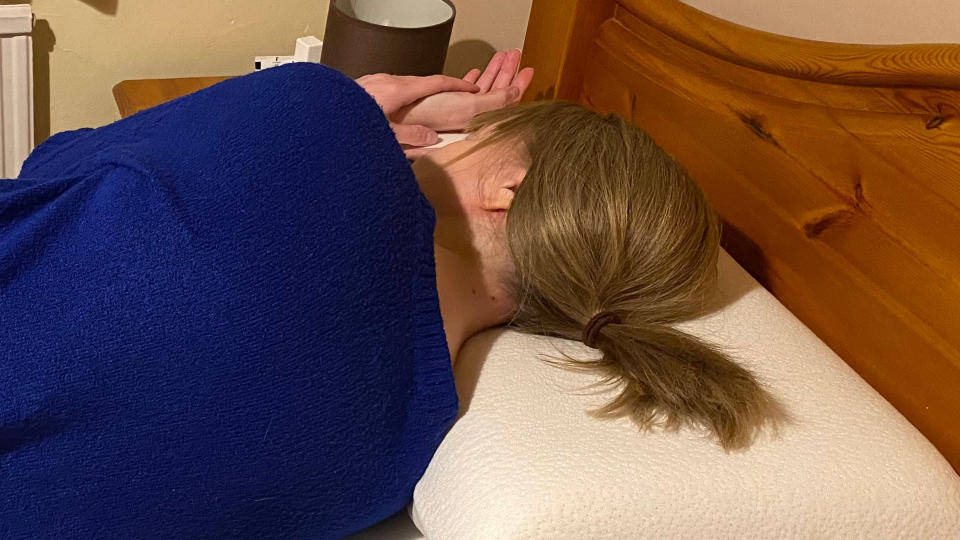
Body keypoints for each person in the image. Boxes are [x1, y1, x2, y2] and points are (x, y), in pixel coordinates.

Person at [0, 49, 784, 537]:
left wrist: (357, 106)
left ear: (511, 186)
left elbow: (55, 163)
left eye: (482, 134)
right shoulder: (391, 460)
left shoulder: (314, 121)